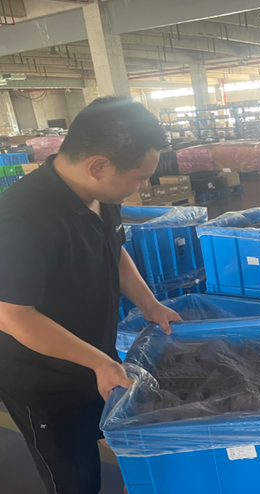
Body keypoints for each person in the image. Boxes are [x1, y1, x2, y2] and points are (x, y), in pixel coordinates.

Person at [0, 96, 183, 494]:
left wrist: (150, 305)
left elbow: (112, 249)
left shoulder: (102, 195)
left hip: (95, 358)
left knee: (115, 439)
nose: (144, 186)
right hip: (45, 379)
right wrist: (99, 362)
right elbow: (13, 315)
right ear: (98, 166)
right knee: (75, 478)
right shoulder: (22, 218)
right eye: (140, 177)